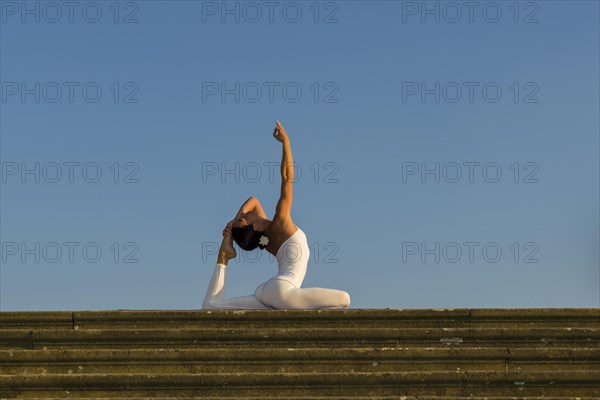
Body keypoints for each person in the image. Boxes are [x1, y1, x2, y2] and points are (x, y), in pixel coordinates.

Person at [202, 121, 351, 310]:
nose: (244, 213)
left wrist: (233, 223)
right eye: (243, 217)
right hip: (283, 292)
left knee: (212, 306)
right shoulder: (279, 223)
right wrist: (286, 143)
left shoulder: (266, 238)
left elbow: (253, 200)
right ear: (253, 227)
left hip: (265, 293)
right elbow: (288, 179)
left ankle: (223, 256)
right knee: (344, 299)